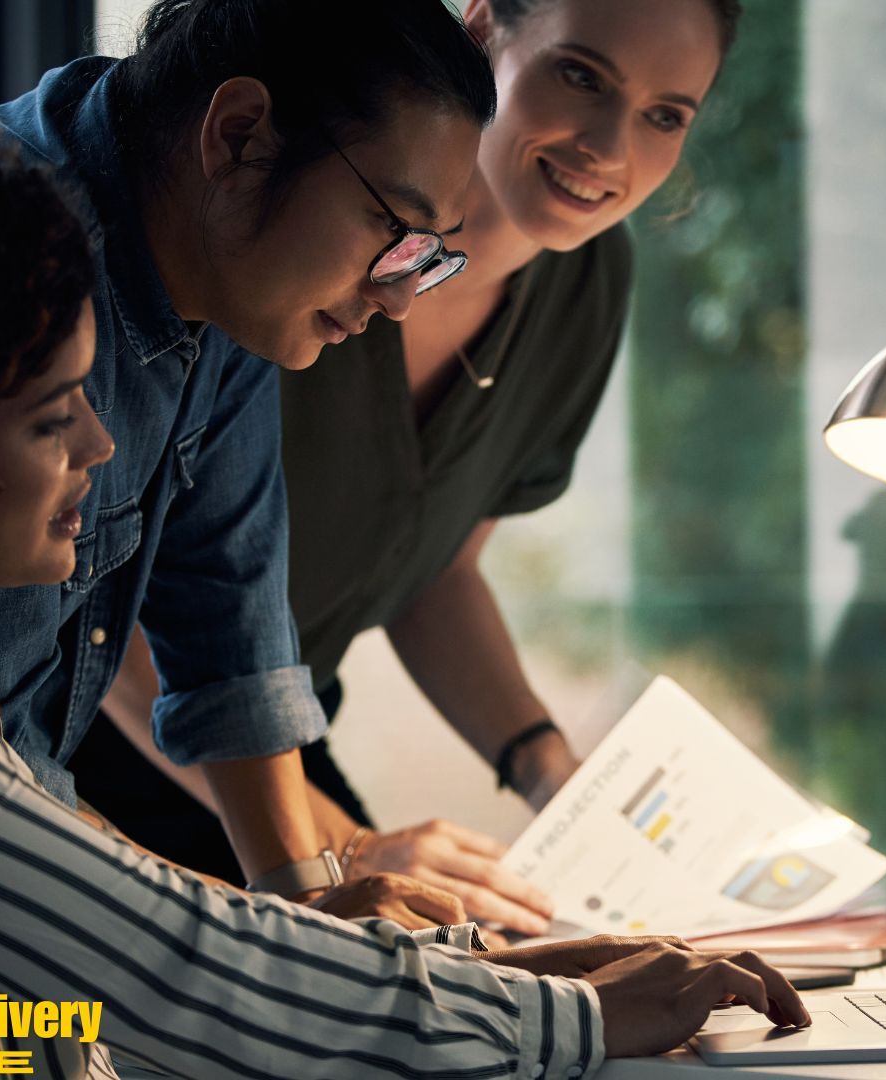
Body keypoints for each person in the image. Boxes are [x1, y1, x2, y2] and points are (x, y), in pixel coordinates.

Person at [0, 100, 807, 1080]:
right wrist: (559, 1020)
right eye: (49, 417)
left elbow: (90, 959)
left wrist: (462, 966)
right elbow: (165, 965)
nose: (99, 441)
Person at [87, 0, 741, 939]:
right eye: (581, 76)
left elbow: (420, 571)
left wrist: (552, 776)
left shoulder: (580, 284)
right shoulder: (270, 259)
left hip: (264, 746)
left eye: (667, 115)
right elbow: (119, 619)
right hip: (125, 748)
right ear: (482, 37)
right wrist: (343, 858)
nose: (609, 145)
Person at [0, 0, 497, 906]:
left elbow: (230, 626)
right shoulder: (7, 274)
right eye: (392, 230)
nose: (400, 299)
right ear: (239, 134)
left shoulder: (225, 272)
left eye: (426, 256)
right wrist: (291, 951)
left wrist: (313, 903)